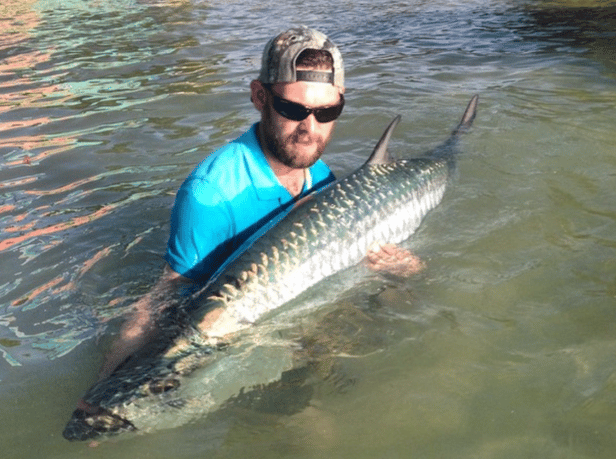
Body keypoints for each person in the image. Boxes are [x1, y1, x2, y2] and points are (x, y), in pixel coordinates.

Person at [97, 26, 419, 380]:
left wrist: (398, 270)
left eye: (327, 112)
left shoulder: (320, 174)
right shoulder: (210, 195)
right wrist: (107, 386)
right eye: (292, 108)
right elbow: (162, 300)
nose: (310, 128)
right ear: (259, 96)